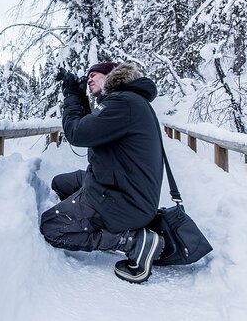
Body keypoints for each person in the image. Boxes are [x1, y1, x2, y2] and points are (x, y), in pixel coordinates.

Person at [40, 61, 164, 284]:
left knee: (51, 227)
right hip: (123, 189)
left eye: (94, 75)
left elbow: (78, 133)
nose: (89, 79)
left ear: (111, 77)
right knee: (61, 183)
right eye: (87, 76)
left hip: (121, 200)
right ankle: (89, 221)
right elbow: (94, 128)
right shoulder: (127, 101)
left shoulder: (122, 103)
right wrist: (79, 96)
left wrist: (70, 96)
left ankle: (131, 241)